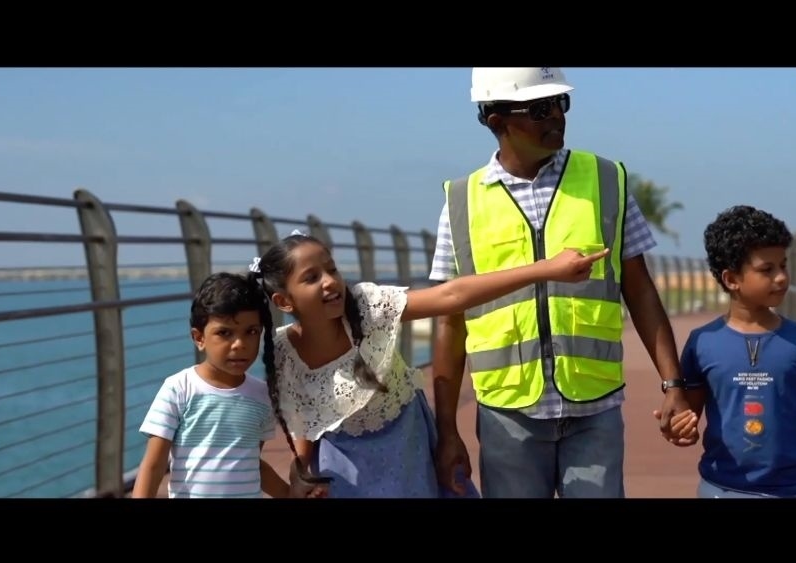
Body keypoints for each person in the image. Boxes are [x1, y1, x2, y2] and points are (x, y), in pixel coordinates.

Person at [428, 67, 696, 499]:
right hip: (507, 415)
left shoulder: (606, 181)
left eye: (560, 103)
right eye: (539, 108)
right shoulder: (461, 202)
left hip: (595, 407)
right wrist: (447, 432)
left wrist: (673, 385)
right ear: (496, 120)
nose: (556, 115)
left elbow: (641, 291)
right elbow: (449, 320)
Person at [252, 229, 610, 498]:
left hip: (410, 452)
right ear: (284, 301)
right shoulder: (283, 351)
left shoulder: (367, 307)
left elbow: (451, 295)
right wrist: (301, 470)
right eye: (312, 277)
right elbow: (301, 417)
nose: (330, 281)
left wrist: (545, 269)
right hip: (345, 471)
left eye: (331, 269)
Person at [673, 205, 796, 498]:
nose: (781, 277)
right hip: (721, 489)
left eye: (783, 266)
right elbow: (687, 416)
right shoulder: (702, 342)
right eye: (767, 269)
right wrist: (679, 429)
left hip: (794, 491)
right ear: (731, 279)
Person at [132, 272, 288, 499]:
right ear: (199, 338)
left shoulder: (261, 395)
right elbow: (154, 465)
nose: (239, 344)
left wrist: (289, 493)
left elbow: (252, 462)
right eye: (224, 333)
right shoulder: (179, 388)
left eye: (251, 332)